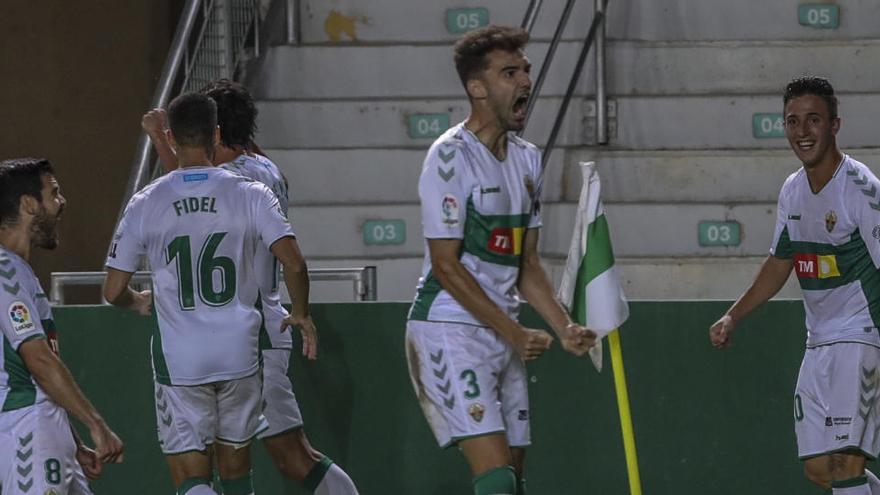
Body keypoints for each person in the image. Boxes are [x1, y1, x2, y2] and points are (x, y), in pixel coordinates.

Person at [141, 79, 359, 494]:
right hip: (241, 333)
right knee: (245, 460)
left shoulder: (236, 179)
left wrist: (158, 138)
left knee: (293, 456)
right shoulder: (266, 170)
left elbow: (185, 193)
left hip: (251, 334)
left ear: (215, 131)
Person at [404, 25, 596, 495]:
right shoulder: (448, 158)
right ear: (477, 88)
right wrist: (514, 331)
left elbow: (526, 264)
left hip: (503, 333)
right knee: (496, 479)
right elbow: (446, 266)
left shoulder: (528, 160)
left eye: (526, 69)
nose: (526, 80)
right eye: (509, 72)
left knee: (514, 477)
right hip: (449, 328)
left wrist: (563, 326)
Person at [104, 93, 317, 495]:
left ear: (171, 136)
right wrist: (301, 313)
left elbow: (113, 289)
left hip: (180, 358)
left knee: (192, 475)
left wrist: (137, 301)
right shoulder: (251, 191)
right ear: (215, 134)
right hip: (239, 351)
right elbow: (294, 262)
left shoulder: (146, 202)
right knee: (236, 470)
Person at [710, 76, 880, 494]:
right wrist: (733, 315)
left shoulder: (862, 189)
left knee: (844, 462)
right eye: (792, 121)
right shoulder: (792, 190)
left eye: (813, 120)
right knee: (820, 470)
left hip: (860, 339)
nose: (802, 132)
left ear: (835, 125)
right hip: (817, 343)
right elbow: (780, 261)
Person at [0, 157, 124, 494]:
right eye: (53, 193)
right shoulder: (5, 272)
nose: (61, 202)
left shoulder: (19, 271)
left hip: (47, 430)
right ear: (29, 204)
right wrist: (95, 424)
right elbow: (38, 361)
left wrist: (72, 440)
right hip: (26, 432)